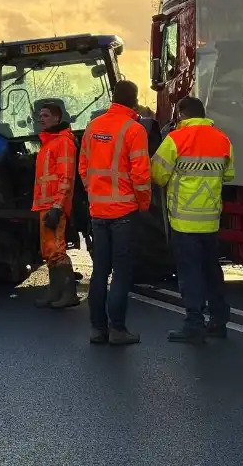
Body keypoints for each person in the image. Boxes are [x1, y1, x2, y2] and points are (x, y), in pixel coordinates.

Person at [150, 96, 234, 343]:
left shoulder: (175, 140)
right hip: (210, 220)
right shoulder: (222, 139)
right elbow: (228, 174)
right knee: (211, 271)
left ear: (182, 114)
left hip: (183, 221)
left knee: (189, 273)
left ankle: (194, 324)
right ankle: (218, 321)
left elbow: (157, 174)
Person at [79, 80, 151, 345]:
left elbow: (83, 166)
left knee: (100, 271)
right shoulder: (134, 129)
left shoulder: (93, 126)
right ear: (133, 100)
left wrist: (94, 193)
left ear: (113, 97)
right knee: (121, 272)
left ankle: (98, 329)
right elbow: (141, 175)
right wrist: (142, 203)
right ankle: (118, 330)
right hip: (124, 212)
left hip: (99, 211)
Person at [32, 102, 81, 309]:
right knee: (48, 250)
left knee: (57, 249)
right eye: (40, 116)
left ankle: (68, 293)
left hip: (54, 206)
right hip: (45, 204)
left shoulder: (63, 143)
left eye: (45, 115)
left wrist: (58, 206)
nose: (40, 119)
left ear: (57, 118)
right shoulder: (49, 143)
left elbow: (66, 177)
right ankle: (55, 292)